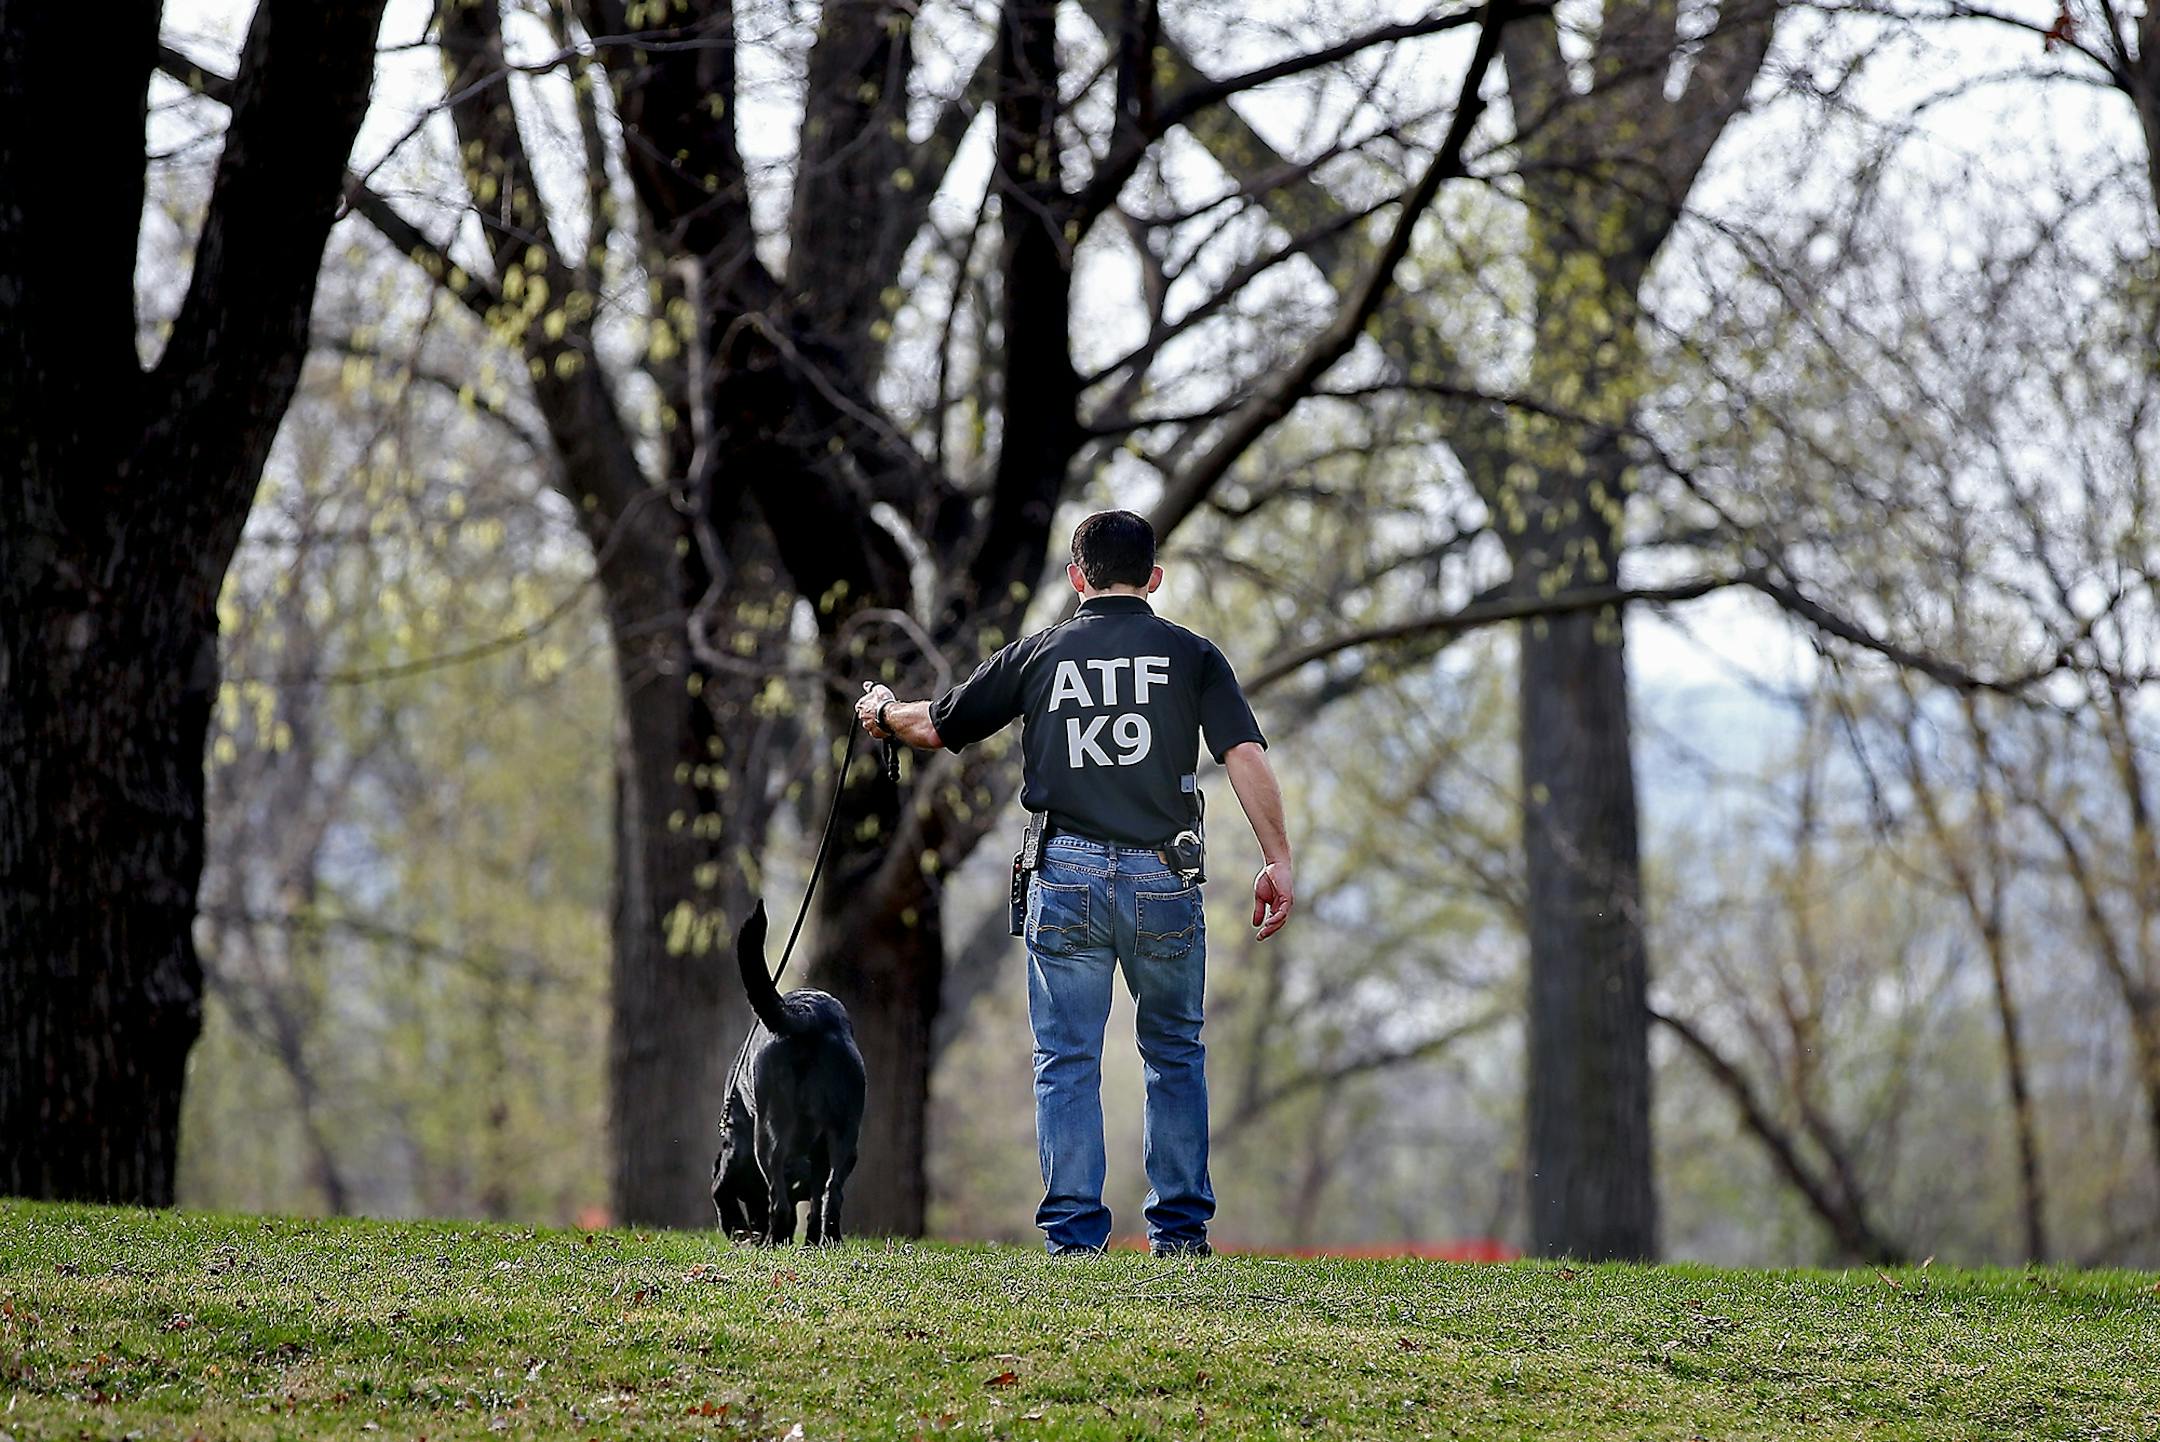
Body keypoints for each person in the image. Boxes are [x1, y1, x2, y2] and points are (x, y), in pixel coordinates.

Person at [857, 509, 1293, 1256]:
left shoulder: (1040, 655)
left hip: (1066, 876)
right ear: (1154, 579)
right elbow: (1243, 752)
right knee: (1175, 1053)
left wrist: (880, 711)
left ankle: (1073, 1240)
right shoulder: (1191, 655)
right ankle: (1181, 1237)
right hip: (1165, 877)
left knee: (1066, 1059)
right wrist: (1278, 857)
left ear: (1075, 577)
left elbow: (937, 725)